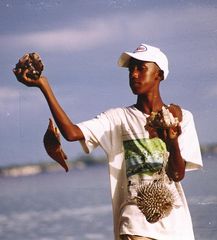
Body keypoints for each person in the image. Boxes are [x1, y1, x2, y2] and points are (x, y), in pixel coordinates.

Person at [13, 43, 203, 240]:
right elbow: (71, 133)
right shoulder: (117, 118)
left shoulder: (182, 118)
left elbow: (177, 175)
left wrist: (172, 142)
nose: (134, 74)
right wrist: (44, 85)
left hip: (175, 225)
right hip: (136, 224)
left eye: (141, 68)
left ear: (159, 74)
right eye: (131, 69)